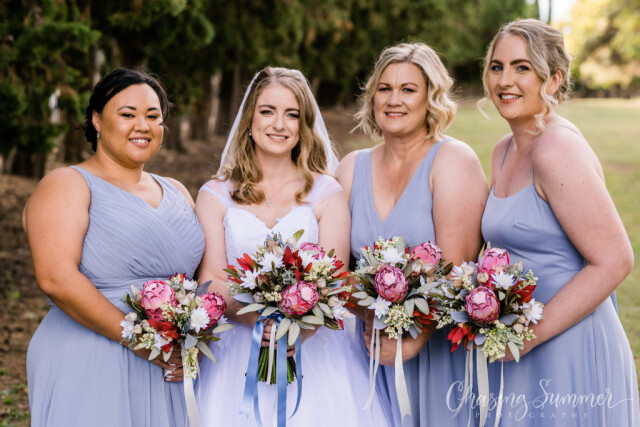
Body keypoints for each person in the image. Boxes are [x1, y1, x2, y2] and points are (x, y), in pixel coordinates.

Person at [195, 67, 391, 426]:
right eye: (267, 111)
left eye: (291, 114)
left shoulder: (326, 192)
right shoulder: (215, 194)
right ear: (249, 120)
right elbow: (212, 279)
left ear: (304, 126)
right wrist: (259, 322)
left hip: (317, 352)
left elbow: (335, 278)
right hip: (237, 351)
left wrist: (300, 329)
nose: (279, 124)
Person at [479, 18, 639, 425]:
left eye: (522, 67)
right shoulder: (503, 150)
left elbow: (615, 260)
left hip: (569, 344)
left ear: (553, 79)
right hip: (521, 346)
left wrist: (525, 337)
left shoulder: (556, 148)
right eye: (497, 67)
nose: (505, 80)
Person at [23, 68, 204, 426]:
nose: (143, 126)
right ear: (97, 120)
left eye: (153, 116)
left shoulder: (177, 190)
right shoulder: (67, 184)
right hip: (92, 355)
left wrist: (196, 338)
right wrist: (144, 342)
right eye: (128, 114)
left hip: (170, 362)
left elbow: (200, 280)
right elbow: (56, 278)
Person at [336, 43, 489, 426]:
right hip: (368, 354)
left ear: (430, 97)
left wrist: (413, 338)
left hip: (434, 353)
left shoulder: (453, 161)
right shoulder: (352, 168)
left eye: (408, 89)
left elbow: (458, 275)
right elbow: (335, 272)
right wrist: (371, 318)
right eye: (384, 89)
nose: (394, 100)